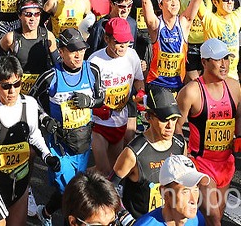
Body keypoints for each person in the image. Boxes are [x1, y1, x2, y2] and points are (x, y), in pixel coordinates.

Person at [0, 55, 58, 226]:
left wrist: (47, 156)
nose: (12, 91)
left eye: (17, 84)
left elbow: (34, 134)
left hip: (19, 185)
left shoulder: (29, 104)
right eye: (6, 86)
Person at [30, 27, 104, 226]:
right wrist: (45, 119)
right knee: (73, 194)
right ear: (61, 52)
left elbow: (101, 99)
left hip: (83, 143)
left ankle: (45, 212)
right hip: (60, 145)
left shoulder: (93, 70)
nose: (78, 55)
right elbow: (30, 101)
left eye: (81, 49)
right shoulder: (50, 76)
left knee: (72, 190)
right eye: (72, 50)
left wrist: (89, 102)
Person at [175, 38, 241, 226]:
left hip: (226, 163)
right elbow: (177, 126)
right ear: (204, 62)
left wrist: (239, 136)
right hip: (202, 164)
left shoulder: (234, 87)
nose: (224, 64)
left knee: (216, 215)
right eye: (218, 59)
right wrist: (184, 156)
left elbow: (239, 116)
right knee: (213, 217)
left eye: (226, 58)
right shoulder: (191, 92)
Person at [111, 87, 186, 218]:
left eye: (174, 118)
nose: (170, 125)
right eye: (164, 119)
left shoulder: (180, 145)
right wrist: (125, 216)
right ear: (148, 117)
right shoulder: (133, 152)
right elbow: (111, 187)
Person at [142, 0, 207, 93]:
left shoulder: (183, 22)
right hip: (157, 84)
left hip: (178, 85)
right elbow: (146, 1)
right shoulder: (156, 24)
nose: (174, 2)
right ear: (160, 5)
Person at [89, 18, 144, 176]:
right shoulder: (95, 61)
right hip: (99, 124)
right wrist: (96, 108)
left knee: (114, 171)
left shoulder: (132, 55)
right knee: (103, 169)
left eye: (126, 42)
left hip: (120, 121)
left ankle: (83, 181)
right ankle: (74, 182)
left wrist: (141, 92)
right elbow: (86, 91)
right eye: (119, 42)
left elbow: (138, 79)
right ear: (106, 39)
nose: (123, 46)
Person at [0, 0, 58, 95]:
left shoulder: (48, 36)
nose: (33, 18)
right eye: (28, 14)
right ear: (19, 15)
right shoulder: (10, 38)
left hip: (42, 92)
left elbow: (58, 65)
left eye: (37, 14)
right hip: (18, 93)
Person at [134, 155, 209, 226]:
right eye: (185, 192)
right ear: (164, 193)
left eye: (195, 190)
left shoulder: (198, 219)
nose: (193, 200)